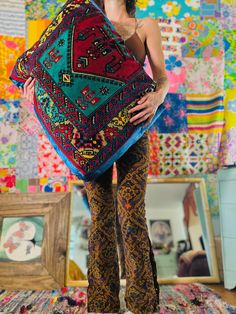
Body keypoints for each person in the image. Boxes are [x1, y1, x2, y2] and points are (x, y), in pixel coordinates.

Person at [21, 0, 169, 313]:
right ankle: (103, 305)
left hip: (134, 129)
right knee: (101, 215)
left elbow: (161, 76)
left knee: (131, 213)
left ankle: (142, 305)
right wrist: (36, 97)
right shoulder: (84, 19)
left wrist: (156, 98)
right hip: (90, 138)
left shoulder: (146, 25)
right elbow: (57, 70)